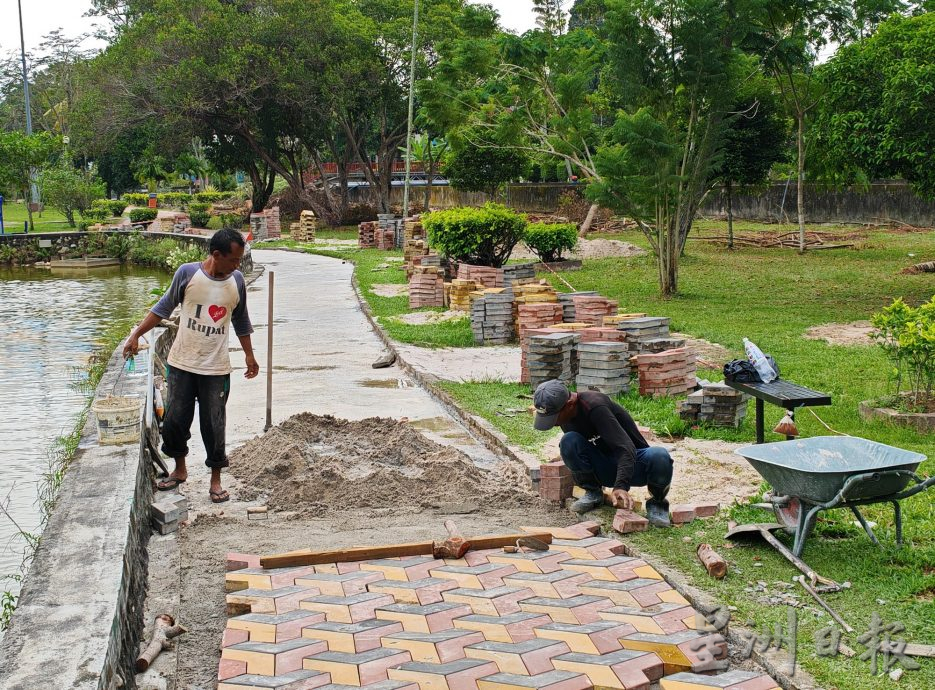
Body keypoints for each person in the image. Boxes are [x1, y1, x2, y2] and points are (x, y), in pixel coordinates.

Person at [123, 228, 259, 503]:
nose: (237, 266)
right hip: (182, 364)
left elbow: (241, 321)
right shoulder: (187, 274)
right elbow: (162, 307)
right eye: (233, 260)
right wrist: (136, 334)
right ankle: (180, 470)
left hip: (216, 369)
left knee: (214, 425)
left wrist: (249, 355)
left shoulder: (238, 282)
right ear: (216, 255)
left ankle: (216, 480)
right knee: (174, 421)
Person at [533, 379, 674, 526]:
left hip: (633, 465)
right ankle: (593, 493)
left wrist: (620, 486)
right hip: (603, 467)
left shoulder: (595, 406)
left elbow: (626, 448)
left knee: (660, 455)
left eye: (555, 418)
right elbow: (579, 449)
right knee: (568, 442)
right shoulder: (566, 415)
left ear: (569, 404)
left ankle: (658, 504)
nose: (554, 423)